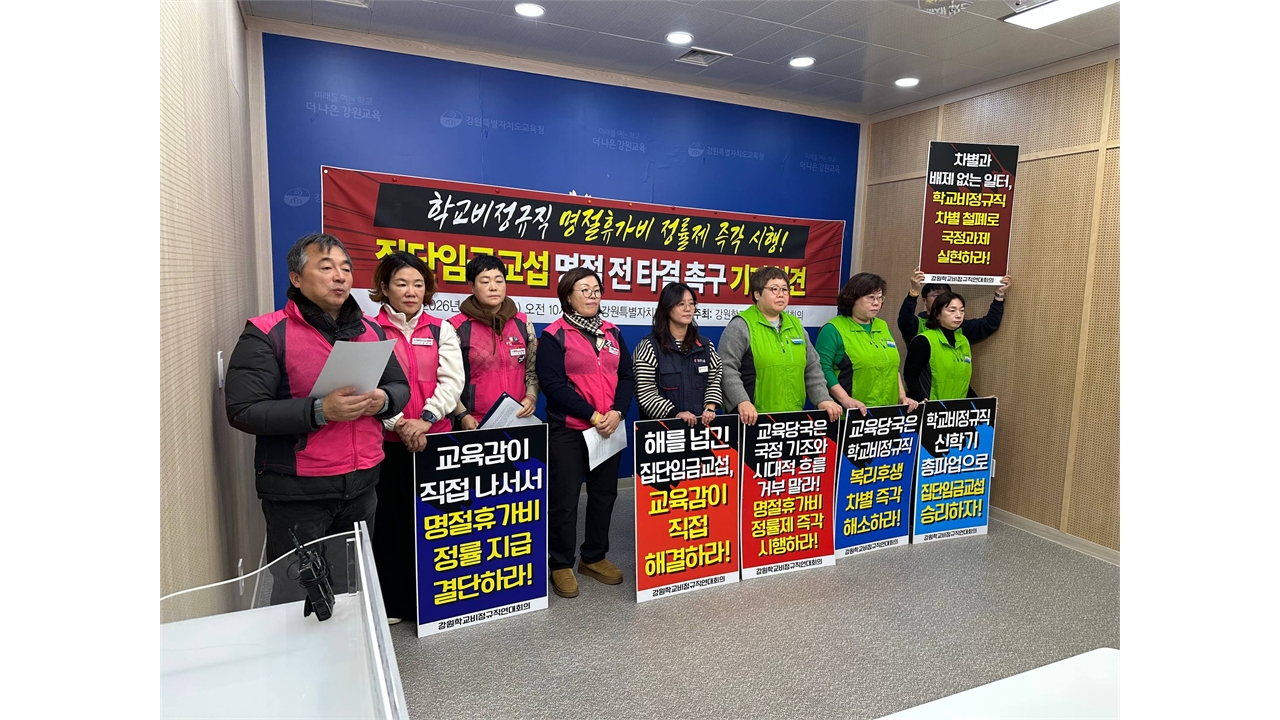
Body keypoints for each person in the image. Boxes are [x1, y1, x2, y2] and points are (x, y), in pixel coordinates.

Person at [225, 233, 410, 604]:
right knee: (299, 594)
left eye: (345, 269)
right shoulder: (266, 333)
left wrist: (384, 400)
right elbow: (243, 410)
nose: (339, 276)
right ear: (296, 278)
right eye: (326, 268)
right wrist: (320, 411)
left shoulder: (371, 330)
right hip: (297, 492)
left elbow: (399, 386)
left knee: (352, 588)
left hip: (362, 485)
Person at [368, 251, 464, 625]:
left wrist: (425, 420)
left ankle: (438, 598)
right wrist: (399, 425)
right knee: (391, 524)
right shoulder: (368, 329)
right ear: (384, 287)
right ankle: (394, 603)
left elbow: (452, 382)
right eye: (402, 283)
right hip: (389, 444)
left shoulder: (442, 330)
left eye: (419, 284)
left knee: (439, 523)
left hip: (436, 441)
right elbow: (367, 388)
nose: (411, 291)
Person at [535, 267, 634, 598]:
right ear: (568, 296)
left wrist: (618, 412)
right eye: (585, 290)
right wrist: (592, 414)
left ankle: (594, 557)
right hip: (570, 429)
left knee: (604, 495)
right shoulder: (554, 335)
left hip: (609, 428)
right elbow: (553, 385)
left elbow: (626, 376)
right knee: (564, 501)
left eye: (597, 290)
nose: (593, 296)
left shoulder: (612, 332)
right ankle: (561, 563)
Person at [719, 266, 842, 425]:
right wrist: (741, 401)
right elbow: (726, 368)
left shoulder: (795, 325)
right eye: (774, 289)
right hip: (753, 418)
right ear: (757, 294)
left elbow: (812, 367)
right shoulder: (741, 326)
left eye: (785, 289)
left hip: (792, 417)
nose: (781, 294)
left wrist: (823, 399)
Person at [449, 255, 539, 429]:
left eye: (499, 281)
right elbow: (447, 380)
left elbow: (531, 370)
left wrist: (531, 397)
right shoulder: (456, 327)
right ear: (472, 286)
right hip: (474, 422)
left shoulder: (523, 323)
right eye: (485, 282)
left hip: (518, 419)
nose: (493, 287)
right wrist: (462, 414)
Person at [816, 273, 919, 415]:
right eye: (871, 297)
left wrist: (902, 397)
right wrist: (845, 399)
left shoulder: (882, 326)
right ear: (852, 298)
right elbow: (822, 369)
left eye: (880, 298)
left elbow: (893, 367)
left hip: (887, 412)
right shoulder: (833, 329)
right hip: (851, 414)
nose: (876, 303)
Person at [633, 283, 723, 424]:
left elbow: (715, 380)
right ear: (667, 307)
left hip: (700, 428)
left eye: (691, 303)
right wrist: (675, 414)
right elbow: (645, 392)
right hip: (663, 429)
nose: (688, 308)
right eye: (681, 304)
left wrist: (709, 408)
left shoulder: (705, 346)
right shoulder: (649, 347)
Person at [897, 265, 1010, 345]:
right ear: (924, 300)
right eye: (936, 295)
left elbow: (989, 324)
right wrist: (914, 291)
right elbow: (904, 320)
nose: (942, 299)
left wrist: (999, 294)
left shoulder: (958, 325)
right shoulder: (918, 325)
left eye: (946, 296)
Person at [904, 291, 980, 402]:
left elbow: (962, 382)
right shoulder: (924, 340)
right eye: (952, 310)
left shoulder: (963, 341)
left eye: (962, 310)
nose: (958, 315)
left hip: (956, 409)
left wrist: (980, 402)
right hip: (931, 407)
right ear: (937, 314)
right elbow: (910, 375)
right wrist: (921, 399)